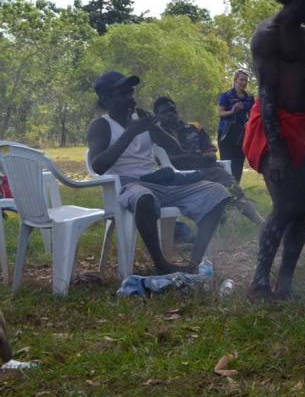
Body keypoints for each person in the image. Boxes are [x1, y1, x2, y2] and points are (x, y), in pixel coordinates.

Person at [243, 0, 305, 300]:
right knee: (284, 205)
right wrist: (277, 151)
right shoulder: (267, 35)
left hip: (301, 127)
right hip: (270, 127)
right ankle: (259, 282)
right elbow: (266, 94)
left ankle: (285, 284)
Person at [86, 72, 229, 274]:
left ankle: (194, 262)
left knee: (218, 193)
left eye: (131, 92)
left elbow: (175, 150)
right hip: (128, 186)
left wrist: (154, 129)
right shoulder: (101, 126)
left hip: (159, 181)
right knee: (143, 198)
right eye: (123, 94)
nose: (131, 98)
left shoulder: (141, 118)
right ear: (106, 99)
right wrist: (130, 133)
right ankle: (161, 264)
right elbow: (98, 166)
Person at [152, 96, 264, 226]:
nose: (171, 114)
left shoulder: (194, 128)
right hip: (180, 176)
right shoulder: (157, 134)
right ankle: (209, 224)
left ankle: (260, 223)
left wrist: (204, 157)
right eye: (165, 112)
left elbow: (210, 153)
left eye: (172, 109)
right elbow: (157, 159)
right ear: (158, 116)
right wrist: (184, 158)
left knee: (233, 189)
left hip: (207, 169)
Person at [216, 69, 254, 182]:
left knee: (238, 163)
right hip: (226, 134)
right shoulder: (226, 96)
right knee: (227, 163)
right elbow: (220, 113)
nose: (243, 83)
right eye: (241, 80)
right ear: (235, 80)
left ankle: (236, 190)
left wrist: (250, 121)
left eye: (246, 81)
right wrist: (232, 111)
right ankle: (227, 190)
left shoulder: (249, 98)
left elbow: (252, 114)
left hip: (241, 135)